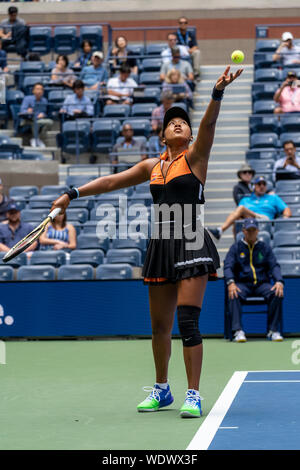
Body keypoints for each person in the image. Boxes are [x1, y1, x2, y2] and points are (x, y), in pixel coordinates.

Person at [50, 65, 243, 419]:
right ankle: (161, 389)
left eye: (183, 121)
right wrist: (70, 193)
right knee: (158, 326)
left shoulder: (196, 157)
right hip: (161, 244)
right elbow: (110, 182)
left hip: (191, 240)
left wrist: (217, 93)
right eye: (172, 121)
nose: (179, 123)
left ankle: (194, 394)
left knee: (188, 320)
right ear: (163, 136)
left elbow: (209, 125)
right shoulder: (151, 166)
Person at [224, 218, 284, 342]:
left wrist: (279, 281)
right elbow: (228, 266)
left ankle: (273, 330)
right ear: (243, 231)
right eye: (248, 230)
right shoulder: (235, 248)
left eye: (253, 230)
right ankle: (238, 331)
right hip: (243, 285)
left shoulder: (264, 247)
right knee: (233, 293)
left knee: (276, 293)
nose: (251, 233)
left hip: (262, 284)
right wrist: (231, 282)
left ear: (257, 231)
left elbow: (274, 265)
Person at [208, 176, 291, 240]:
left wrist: (284, 219)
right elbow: (237, 215)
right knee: (238, 218)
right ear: (254, 186)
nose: (261, 186)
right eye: (259, 184)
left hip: (265, 221)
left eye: (264, 184)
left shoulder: (273, 197)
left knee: (241, 209)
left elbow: (286, 210)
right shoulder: (245, 200)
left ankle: (220, 230)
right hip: (248, 222)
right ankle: (237, 244)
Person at [19, 82, 53, 148]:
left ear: (43, 92)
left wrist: (43, 114)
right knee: (35, 122)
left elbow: (45, 112)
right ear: (33, 90)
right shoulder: (27, 99)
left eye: (41, 89)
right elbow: (22, 111)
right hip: (28, 119)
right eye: (37, 89)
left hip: (40, 119)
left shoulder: (44, 101)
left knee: (50, 122)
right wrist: (28, 112)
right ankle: (35, 139)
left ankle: (38, 139)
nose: (39, 91)